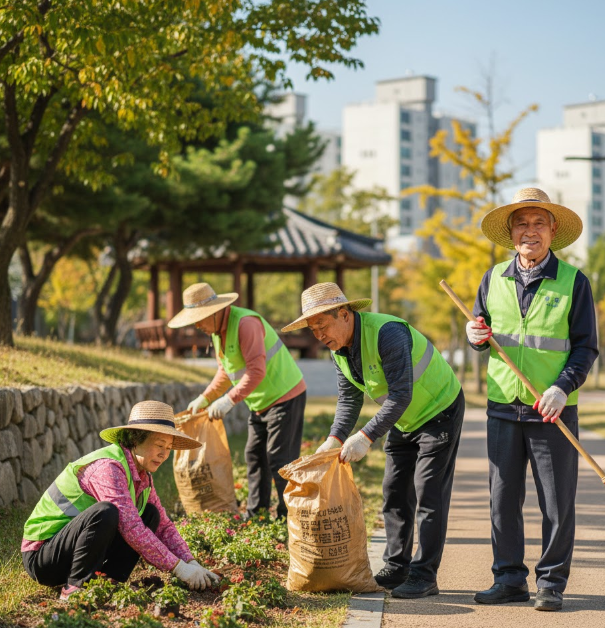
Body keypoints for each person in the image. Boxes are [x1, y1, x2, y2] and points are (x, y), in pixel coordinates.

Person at [282, 282, 465, 599]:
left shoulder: (387, 333)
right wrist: (334, 439)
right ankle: (397, 566)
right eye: (313, 330)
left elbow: (401, 394)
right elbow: (349, 399)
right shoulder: (339, 350)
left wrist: (365, 436)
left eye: (323, 325)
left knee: (429, 493)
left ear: (344, 314)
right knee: (394, 491)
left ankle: (424, 575)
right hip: (404, 418)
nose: (319, 335)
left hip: (439, 411)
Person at [467, 188, 598, 612]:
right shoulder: (493, 278)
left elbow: (586, 347)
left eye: (538, 223)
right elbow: (482, 330)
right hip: (503, 405)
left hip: (552, 409)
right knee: (502, 500)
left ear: (552, 230)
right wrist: (475, 337)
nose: (530, 231)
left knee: (556, 502)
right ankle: (508, 579)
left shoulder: (574, 282)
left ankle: (551, 583)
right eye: (521, 223)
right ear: (510, 233)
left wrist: (562, 387)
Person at [22, 400, 219, 600]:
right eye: (160, 445)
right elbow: (131, 527)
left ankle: (109, 581)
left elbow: (164, 527)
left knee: (151, 514)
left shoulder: (143, 477)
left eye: (169, 448)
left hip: (75, 552)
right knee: (105, 512)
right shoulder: (108, 468)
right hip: (43, 558)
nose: (164, 454)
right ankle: (75, 587)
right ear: (135, 439)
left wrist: (191, 562)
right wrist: (178, 568)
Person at [168, 282, 306, 520]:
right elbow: (226, 372)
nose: (197, 326)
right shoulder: (217, 333)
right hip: (260, 403)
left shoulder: (245, 324)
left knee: (280, 459)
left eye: (199, 319)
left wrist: (228, 401)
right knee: (254, 456)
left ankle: (290, 517)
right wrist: (205, 397)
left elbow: (256, 371)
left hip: (286, 396)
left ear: (214, 312)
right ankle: (257, 514)